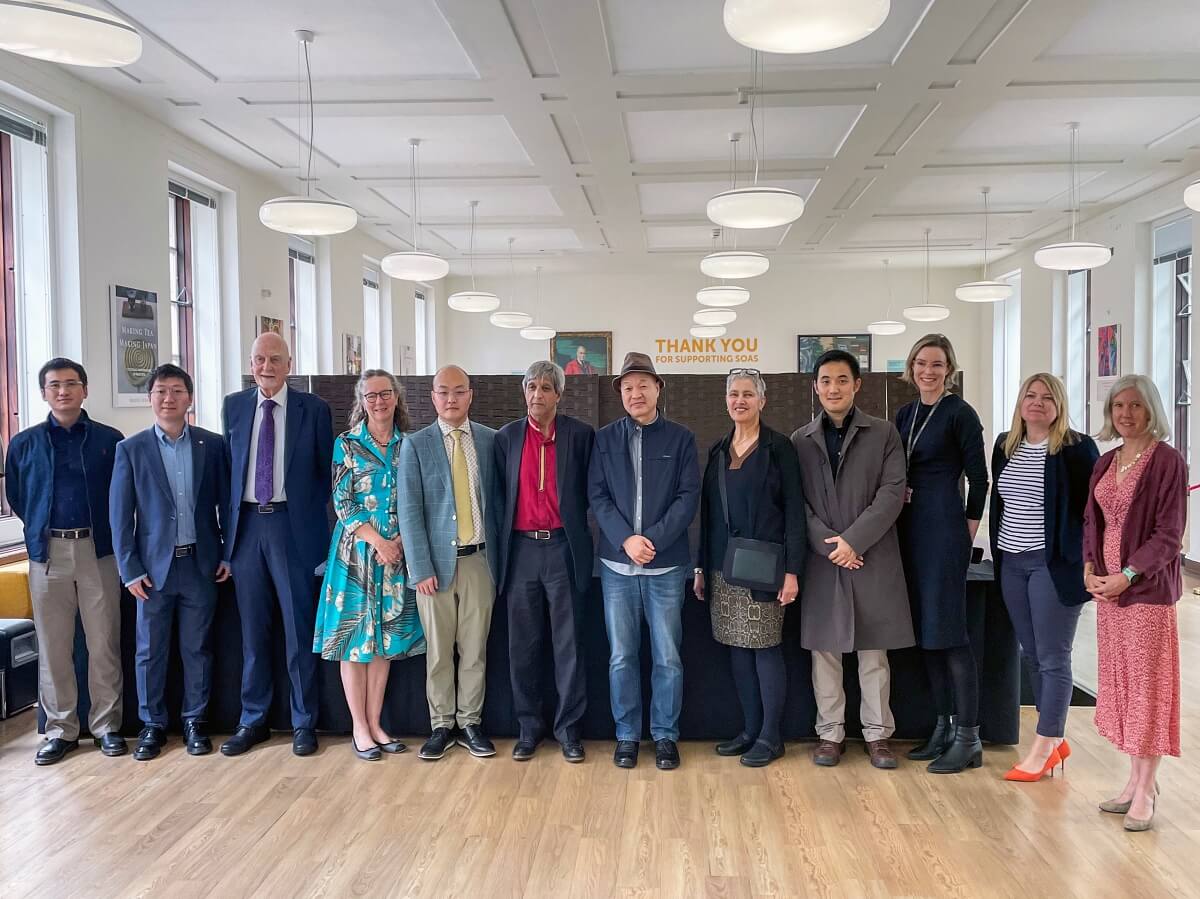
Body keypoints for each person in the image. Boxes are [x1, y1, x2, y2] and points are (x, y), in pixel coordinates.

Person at [792, 350, 914, 770]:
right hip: (824, 560)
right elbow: (797, 503)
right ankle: (830, 734)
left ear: (857, 385)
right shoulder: (800, 440)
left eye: (842, 380)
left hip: (871, 556)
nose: (834, 388)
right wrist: (832, 546)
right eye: (826, 380)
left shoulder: (883, 433)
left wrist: (854, 542)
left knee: (873, 653)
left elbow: (892, 493)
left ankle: (878, 736)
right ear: (815, 387)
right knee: (824, 652)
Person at [6, 358, 126, 765]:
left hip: (98, 550)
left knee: (103, 642)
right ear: (43, 393)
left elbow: (120, 495)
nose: (63, 391)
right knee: (53, 646)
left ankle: (106, 726)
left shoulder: (109, 440)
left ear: (84, 390)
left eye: (71, 384)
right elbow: (19, 497)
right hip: (47, 554)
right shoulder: (24, 443)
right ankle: (61, 730)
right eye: (54, 385)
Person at [109, 364, 231, 761]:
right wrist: (129, 568)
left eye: (177, 391)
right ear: (150, 398)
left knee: (198, 648)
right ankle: (153, 724)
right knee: (150, 651)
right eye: (161, 391)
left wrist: (227, 552)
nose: (169, 398)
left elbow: (226, 504)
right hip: (151, 571)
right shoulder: (131, 449)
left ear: (189, 399)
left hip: (200, 564)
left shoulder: (212, 445)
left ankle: (195, 720)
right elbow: (120, 516)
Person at [221, 332, 333, 757]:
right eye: (258, 359)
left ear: (289, 364)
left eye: (274, 359)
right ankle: (253, 720)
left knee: (298, 630)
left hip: (292, 528)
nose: (265, 367)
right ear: (251, 364)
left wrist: (309, 524)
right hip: (247, 529)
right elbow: (229, 472)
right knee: (253, 633)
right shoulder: (233, 406)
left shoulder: (313, 409)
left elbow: (325, 474)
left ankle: (304, 722)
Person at [1083, 375, 1185, 832]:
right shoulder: (1106, 462)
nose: (1126, 414)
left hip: (1145, 592)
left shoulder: (1166, 461)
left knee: (1148, 689)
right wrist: (1090, 567)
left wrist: (1128, 575)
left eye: (1136, 405)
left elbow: (1169, 534)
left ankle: (1146, 790)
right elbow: (1093, 522)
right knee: (1123, 685)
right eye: (1119, 405)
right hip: (1108, 592)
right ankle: (1134, 780)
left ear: (1151, 410)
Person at [589, 352, 699, 770]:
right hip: (617, 568)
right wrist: (626, 540)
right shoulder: (604, 439)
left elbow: (687, 497)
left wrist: (650, 540)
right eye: (628, 387)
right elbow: (597, 495)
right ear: (621, 393)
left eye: (643, 385)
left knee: (668, 656)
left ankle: (666, 735)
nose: (635, 393)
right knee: (621, 656)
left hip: (665, 567)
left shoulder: (681, 438)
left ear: (658, 388)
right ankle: (627, 735)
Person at [990, 373, 1098, 782]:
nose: (1037, 403)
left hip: (1052, 564)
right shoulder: (1006, 444)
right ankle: (1054, 738)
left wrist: (1091, 563)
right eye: (1030, 395)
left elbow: (1092, 512)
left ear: (1059, 405)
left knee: (1053, 657)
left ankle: (1043, 743)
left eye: (1046, 397)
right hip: (1011, 561)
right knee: (1030, 654)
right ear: (1020, 402)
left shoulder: (1076, 448)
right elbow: (1000, 501)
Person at [313, 371, 426, 762]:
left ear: (397, 397)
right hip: (358, 554)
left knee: (383, 642)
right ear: (361, 401)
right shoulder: (346, 443)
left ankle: (376, 724)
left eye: (385, 393)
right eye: (371, 395)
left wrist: (399, 544)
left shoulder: (408, 445)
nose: (378, 401)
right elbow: (343, 501)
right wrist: (379, 542)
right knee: (354, 640)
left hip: (397, 554)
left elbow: (417, 500)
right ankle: (359, 727)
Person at [694, 368, 803, 768]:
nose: (739, 401)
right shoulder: (719, 450)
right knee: (738, 649)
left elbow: (795, 512)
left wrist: (792, 571)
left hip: (765, 568)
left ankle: (771, 737)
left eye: (747, 394)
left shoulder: (779, 448)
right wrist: (700, 568)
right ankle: (750, 729)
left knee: (765, 648)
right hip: (723, 568)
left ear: (762, 400)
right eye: (733, 394)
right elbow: (707, 514)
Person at [894, 334, 988, 774]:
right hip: (910, 530)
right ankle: (943, 726)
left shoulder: (960, 413)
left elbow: (980, 479)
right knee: (927, 636)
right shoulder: (906, 413)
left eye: (936, 364)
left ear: (948, 369)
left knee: (950, 634)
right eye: (921, 363)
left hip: (945, 530)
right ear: (911, 367)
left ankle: (969, 737)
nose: (927, 371)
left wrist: (965, 531)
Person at [398, 365, 501, 761]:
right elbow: (409, 510)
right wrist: (420, 567)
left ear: (471, 395)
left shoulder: (491, 440)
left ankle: (470, 722)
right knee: (439, 651)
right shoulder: (416, 444)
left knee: (474, 649)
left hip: (480, 561)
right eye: (443, 392)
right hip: (434, 569)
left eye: (459, 391)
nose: (451, 399)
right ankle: (441, 724)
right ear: (433, 397)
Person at [495, 361, 594, 763]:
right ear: (524, 392)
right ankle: (529, 728)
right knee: (523, 645)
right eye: (531, 387)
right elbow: (497, 500)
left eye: (546, 388)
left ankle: (569, 730)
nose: (537, 395)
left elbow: (592, 493)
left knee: (569, 645)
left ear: (559, 395)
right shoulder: (506, 438)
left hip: (563, 548)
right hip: (521, 552)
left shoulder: (581, 436)